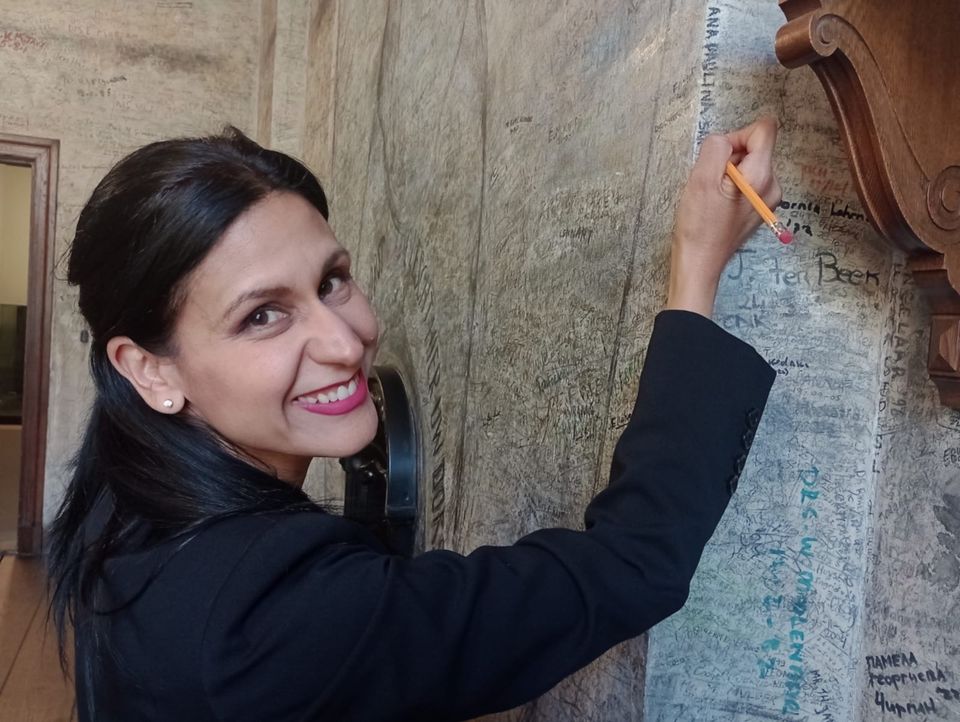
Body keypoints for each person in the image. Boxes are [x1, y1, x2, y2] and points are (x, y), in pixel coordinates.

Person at [48, 117, 781, 721]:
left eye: (333, 281)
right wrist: (695, 272)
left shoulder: (126, 517)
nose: (347, 341)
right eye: (262, 316)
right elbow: (631, 565)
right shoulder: (274, 612)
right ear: (151, 369)